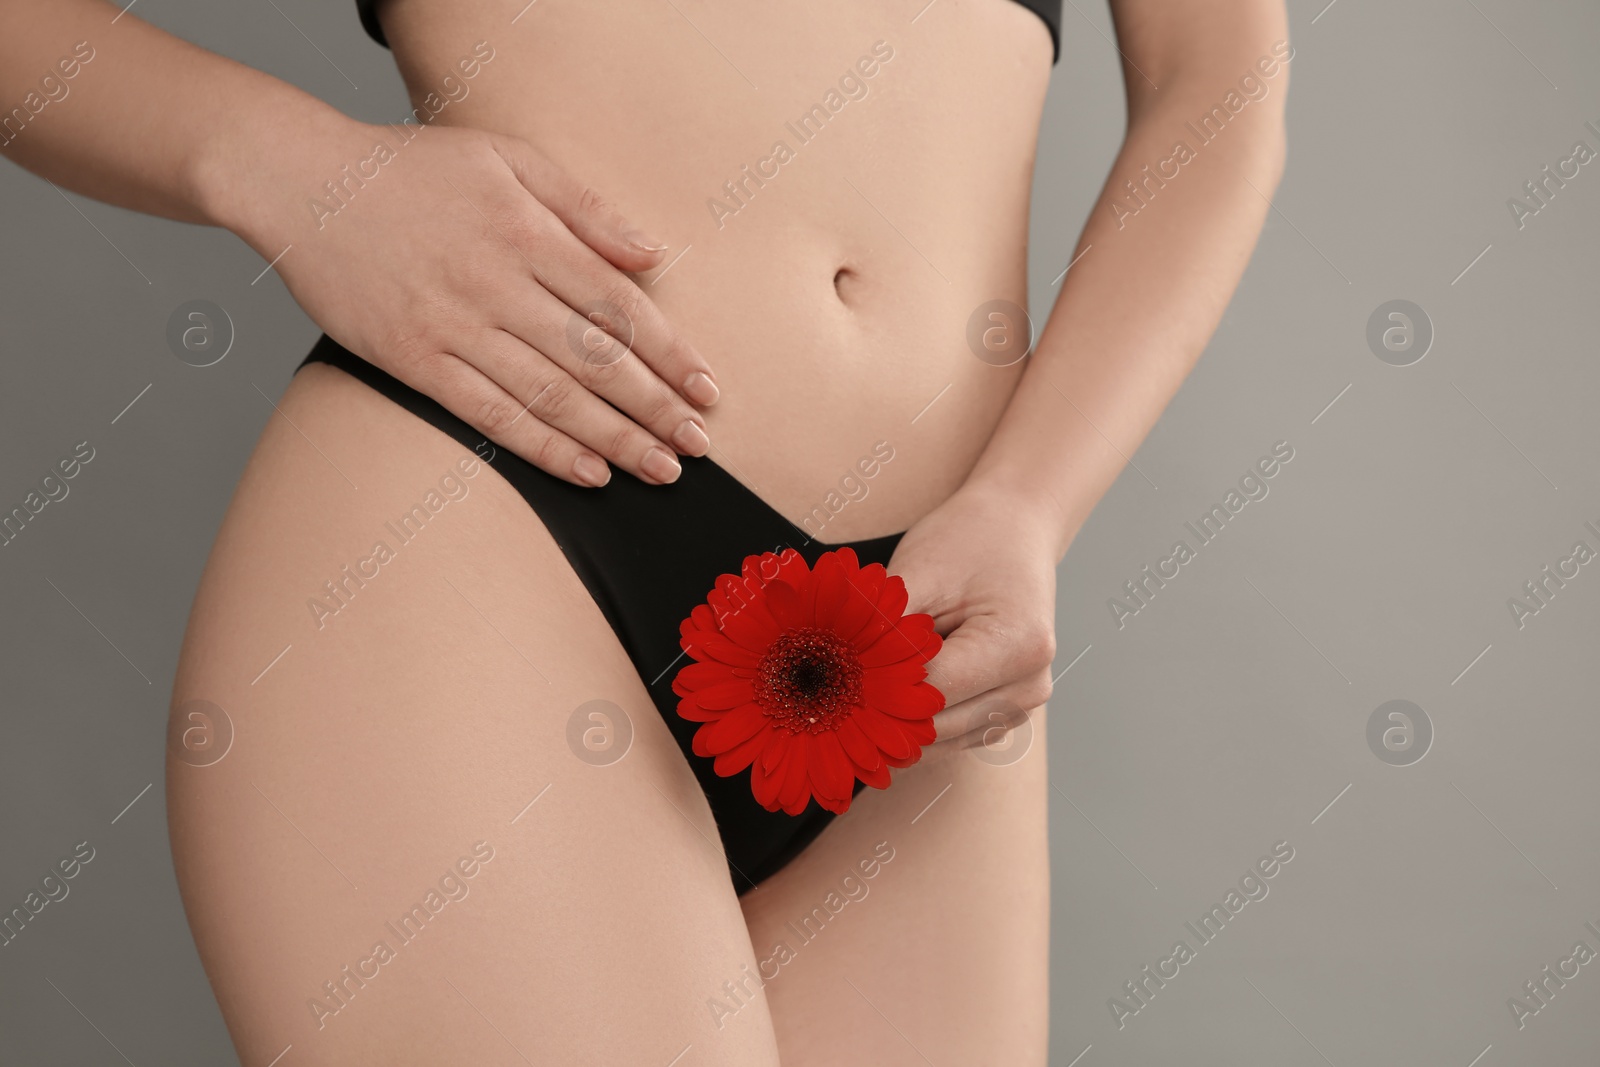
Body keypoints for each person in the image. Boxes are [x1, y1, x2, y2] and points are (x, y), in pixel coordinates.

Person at [2, 0, 1287, 1060]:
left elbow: (1218, 90)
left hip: (924, 623)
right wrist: (293, 167)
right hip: (494, 526)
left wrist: (1029, 503)